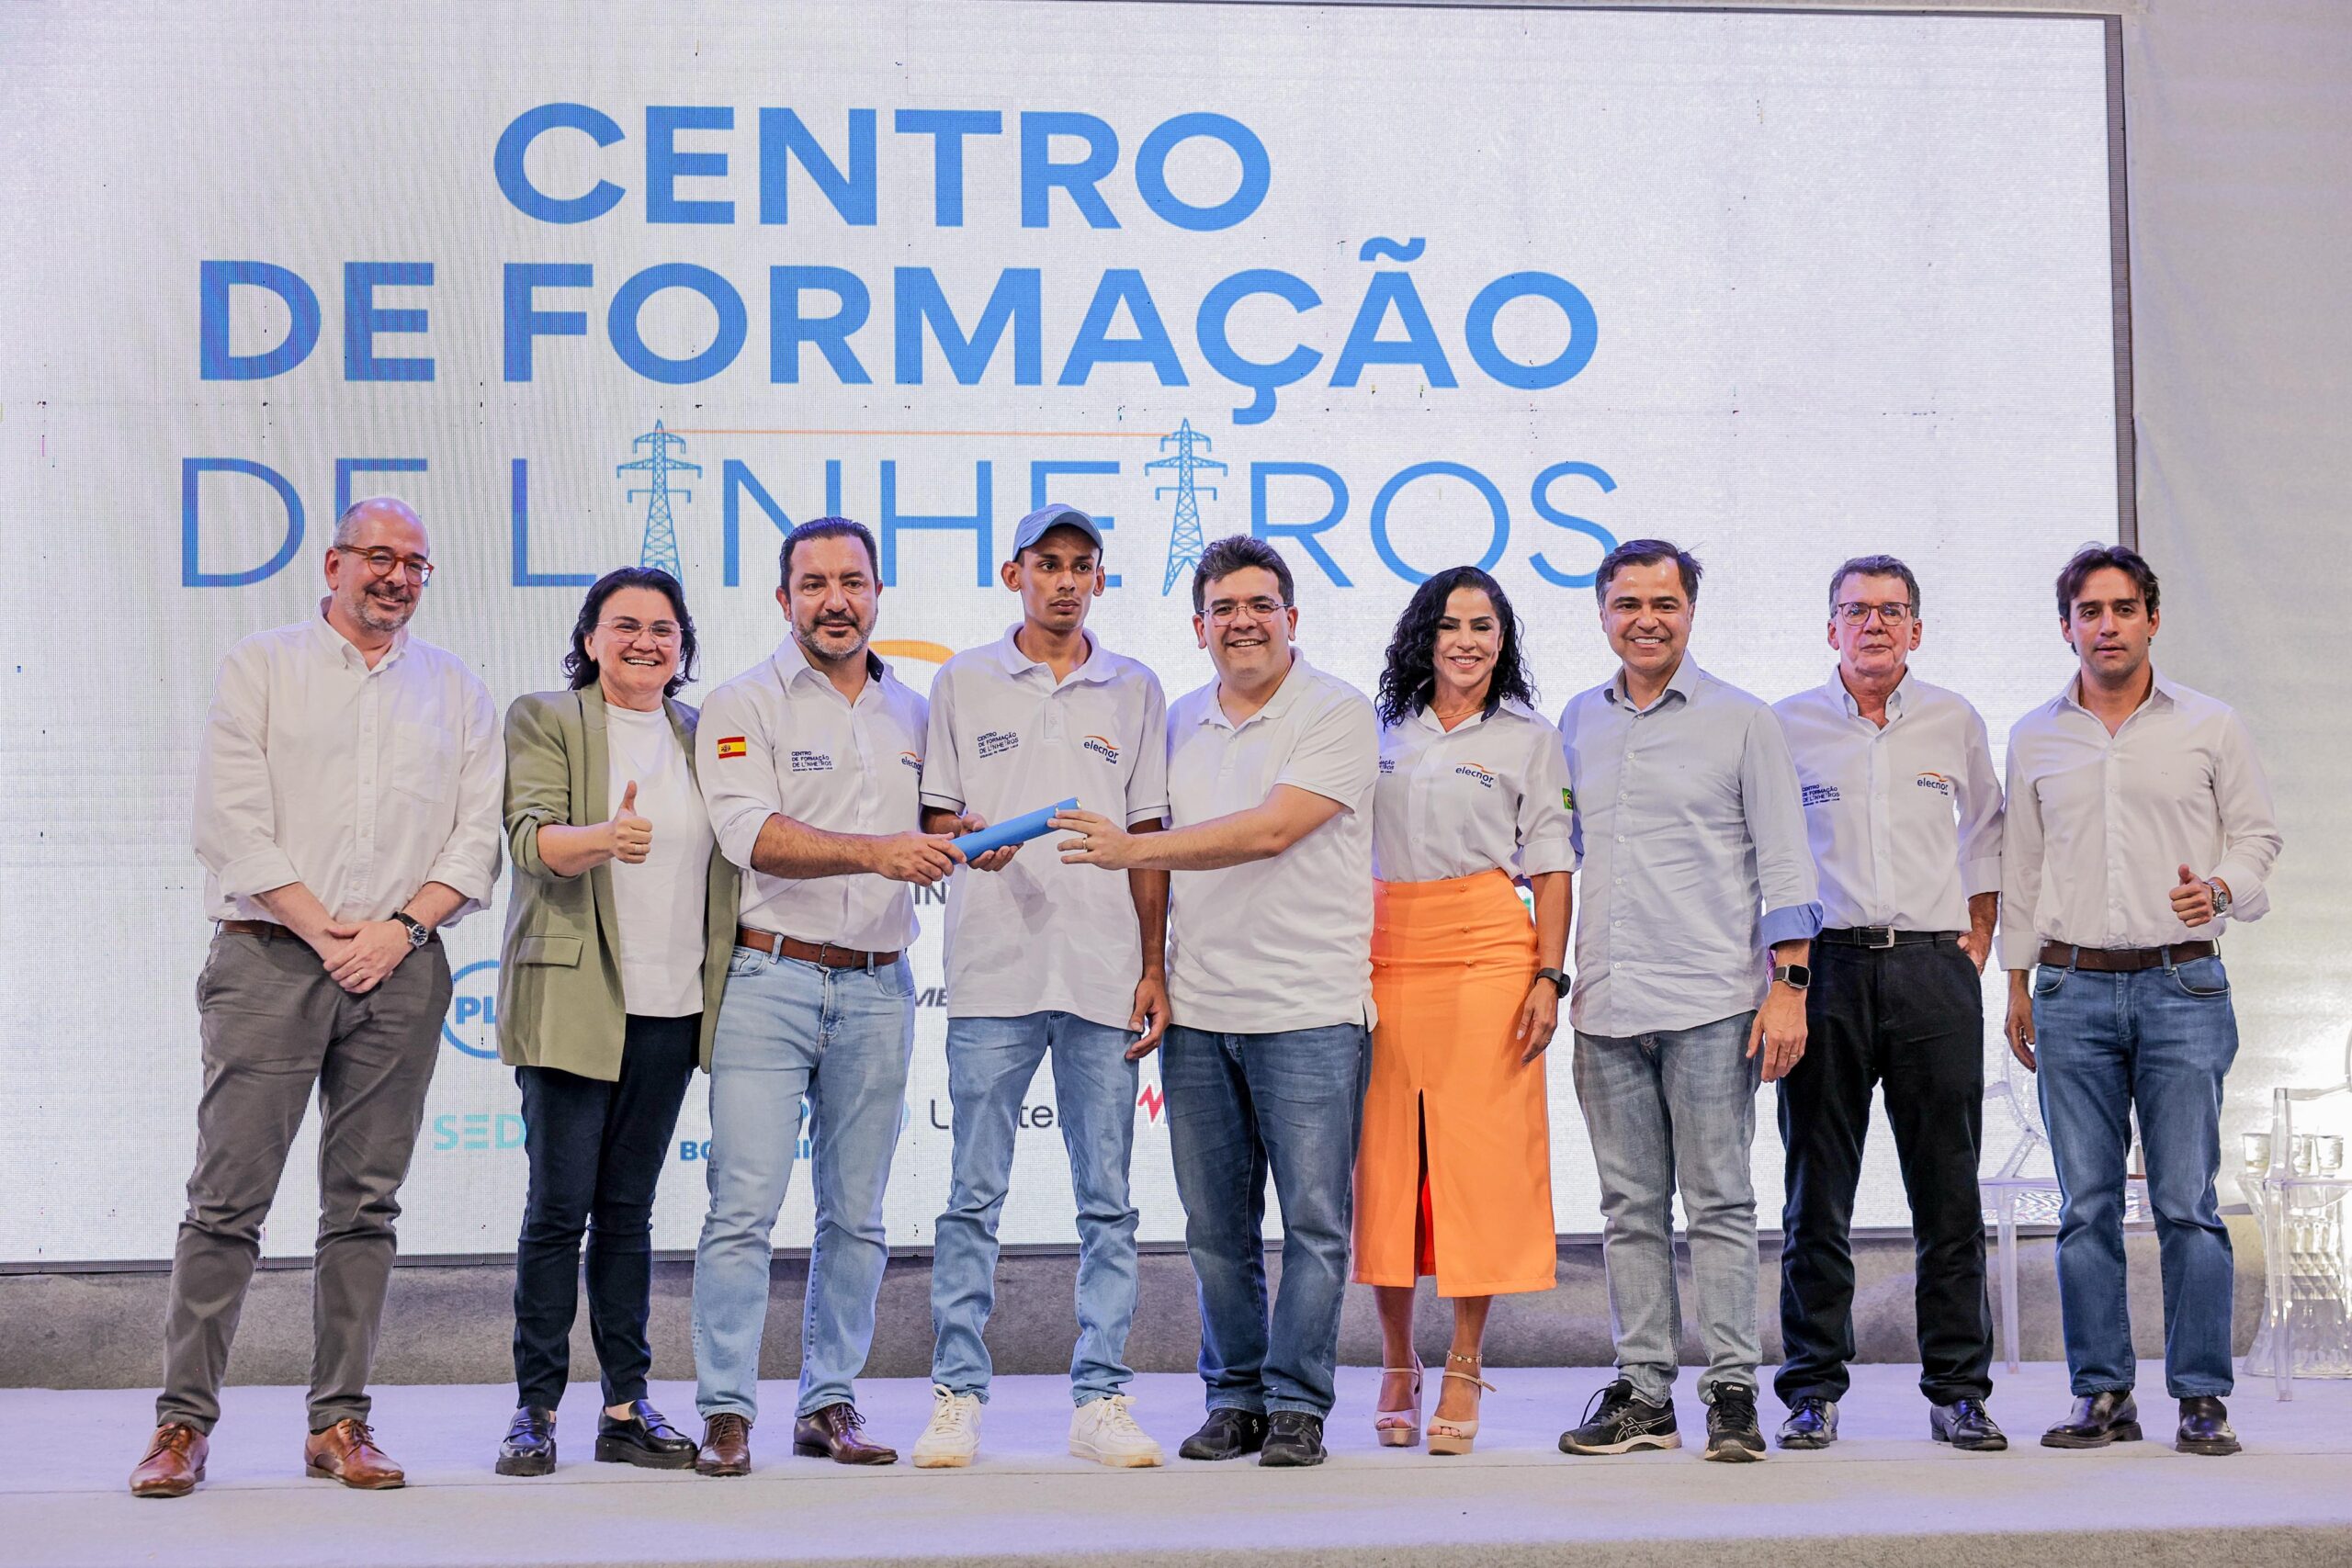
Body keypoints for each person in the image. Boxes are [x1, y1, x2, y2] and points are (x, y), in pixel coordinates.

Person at [131, 497, 501, 1498]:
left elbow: (475, 840)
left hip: (402, 966)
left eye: (415, 563)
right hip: (270, 958)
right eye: (378, 556)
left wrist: (398, 930)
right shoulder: (262, 665)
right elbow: (229, 821)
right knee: (225, 1203)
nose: (397, 576)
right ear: (333, 565)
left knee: (365, 1207)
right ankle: (181, 1425)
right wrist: (324, 928)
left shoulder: (457, 689)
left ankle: (340, 1422)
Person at [1052, 535, 1377, 1469]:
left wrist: (1133, 849)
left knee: (1314, 1226)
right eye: (1223, 608)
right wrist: (1152, 965)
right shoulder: (1177, 721)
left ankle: (1297, 1404)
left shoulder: (1336, 710)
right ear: (1199, 627)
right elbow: (1151, 847)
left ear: (1291, 618)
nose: (1243, 622)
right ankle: (1233, 1398)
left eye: (1259, 604)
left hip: (1310, 1011)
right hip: (1197, 1013)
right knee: (1214, 1232)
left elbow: (1272, 830)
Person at [687, 517, 960, 1475]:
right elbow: (750, 835)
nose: (835, 601)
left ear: (878, 594)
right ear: (784, 599)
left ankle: (828, 1403)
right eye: (814, 584)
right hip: (769, 978)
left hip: (881, 986)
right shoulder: (741, 703)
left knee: (858, 1215)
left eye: (853, 582)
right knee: (742, 1208)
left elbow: (937, 823)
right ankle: (726, 1411)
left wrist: (973, 839)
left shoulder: (916, 712)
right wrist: (880, 852)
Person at [907, 506, 1173, 1470]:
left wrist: (1154, 963)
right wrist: (965, 838)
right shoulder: (963, 679)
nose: (1064, 581)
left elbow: (1149, 839)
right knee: (973, 1195)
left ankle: (1101, 1397)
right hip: (992, 972)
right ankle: (957, 1395)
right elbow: (936, 817)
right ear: (1013, 572)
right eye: (1047, 563)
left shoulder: (1134, 686)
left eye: (1081, 565)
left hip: (1103, 972)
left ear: (1099, 578)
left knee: (1107, 1201)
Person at [2002, 543, 2280, 1458]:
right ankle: (2102, 1394)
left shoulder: (2210, 724)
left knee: (2186, 1202)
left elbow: (2257, 837)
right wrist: (2016, 983)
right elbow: (2021, 869)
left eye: (2124, 608)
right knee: (2084, 1206)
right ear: (2066, 627)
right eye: (2089, 610)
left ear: (2152, 619)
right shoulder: (2034, 735)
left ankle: (2201, 1397)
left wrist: (2223, 890)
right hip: (2069, 986)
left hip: (2182, 985)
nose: (2107, 625)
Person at [1554, 539, 1821, 1464]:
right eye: (1627, 604)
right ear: (1602, 614)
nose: (1646, 620)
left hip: (1712, 1001)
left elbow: (1786, 861)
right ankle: (1643, 1394)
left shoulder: (1744, 721)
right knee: (1629, 1210)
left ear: (1690, 613)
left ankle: (1733, 1392)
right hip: (1605, 1005)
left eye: (1663, 603)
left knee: (1718, 1204)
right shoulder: (1576, 721)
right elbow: (1556, 853)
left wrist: (1789, 988)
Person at [492, 567, 739, 1476]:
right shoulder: (546, 718)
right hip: (574, 999)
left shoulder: (705, 734)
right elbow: (529, 838)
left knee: (629, 1213)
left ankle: (626, 1407)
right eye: (625, 625)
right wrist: (603, 837)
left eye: (663, 628)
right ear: (591, 638)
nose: (645, 641)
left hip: (672, 1005)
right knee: (559, 1211)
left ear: (683, 645)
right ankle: (534, 1409)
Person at [1770, 555, 2006, 1451]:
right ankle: (1811, 1390)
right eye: (1856, 610)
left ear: (1916, 628)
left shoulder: (1954, 719)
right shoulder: (1785, 725)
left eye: (1891, 610)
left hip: (1931, 971)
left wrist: (1977, 934)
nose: (1873, 624)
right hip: (1822, 969)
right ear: (1829, 626)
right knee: (1815, 1194)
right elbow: (1768, 853)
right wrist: (1780, 975)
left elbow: (1988, 833)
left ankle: (1959, 1390)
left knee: (1947, 1193)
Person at [1354, 566, 1573, 1457]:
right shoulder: (1376, 729)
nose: (1467, 641)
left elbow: (1551, 862)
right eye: (1450, 625)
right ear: (1424, 635)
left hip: (1488, 950)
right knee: (1387, 1166)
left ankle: (1464, 1362)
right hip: (1383, 950)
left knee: (1474, 1166)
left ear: (1502, 639)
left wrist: (1548, 976)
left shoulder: (1530, 736)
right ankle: (1396, 1360)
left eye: (1484, 626)